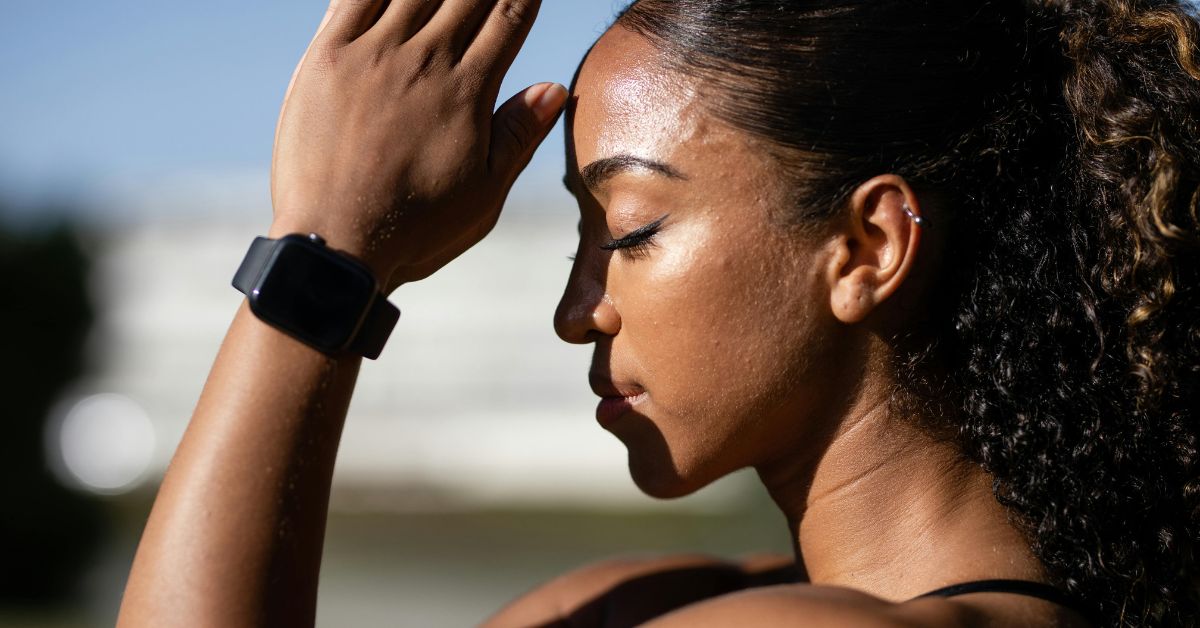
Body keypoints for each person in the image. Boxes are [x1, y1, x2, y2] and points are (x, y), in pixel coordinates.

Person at [116, 0, 1200, 625]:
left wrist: (330, 256)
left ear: (867, 248)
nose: (579, 312)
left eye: (629, 232)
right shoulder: (659, 598)